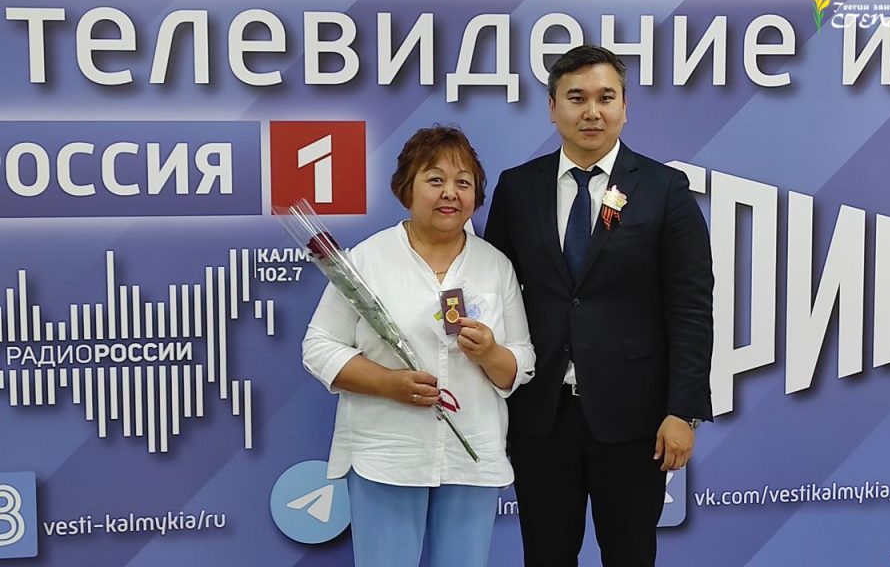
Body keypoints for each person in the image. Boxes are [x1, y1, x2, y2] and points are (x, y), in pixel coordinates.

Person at [484, 45, 714, 567]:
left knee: (630, 555)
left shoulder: (664, 189)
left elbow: (691, 307)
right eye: (577, 98)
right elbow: (494, 293)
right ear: (552, 108)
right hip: (541, 416)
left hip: (635, 419)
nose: (592, 111)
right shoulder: (518, 188)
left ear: (624, 107)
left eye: (606, 98)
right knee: (546, 555)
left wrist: (683, 411)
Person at [302, 125, 535, 567]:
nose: (450, 193)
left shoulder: (495, 265)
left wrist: (490, 354)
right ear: (405, 188)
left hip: (472, 456)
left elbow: (522, 361)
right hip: (387, 454)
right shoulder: (367, 259)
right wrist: (387, 383)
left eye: (463, 182)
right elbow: (319, 346)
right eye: (435, 179)